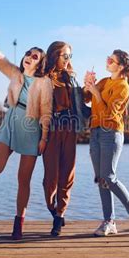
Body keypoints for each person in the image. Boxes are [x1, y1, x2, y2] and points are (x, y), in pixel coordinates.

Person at [0, 16, 52, 240]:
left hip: (32, 130)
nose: (29, 58)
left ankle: (18, 223)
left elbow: (46, 112)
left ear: (39, 63)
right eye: (28, 54)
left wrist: (43, 138)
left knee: (23, 179)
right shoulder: (14, 72)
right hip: (11, 122)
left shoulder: (44, 84)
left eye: (34, 57)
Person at [84, 49, 129, 237]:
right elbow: (87, 98)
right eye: (108, 58)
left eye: (111, 60)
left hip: (110, 133)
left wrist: (95, 91)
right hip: (95, 132)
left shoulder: (123, 86)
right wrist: (88, 85)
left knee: (109, 177)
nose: (108, 61)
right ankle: (109, 221)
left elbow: (109, 114)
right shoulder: (105, 81)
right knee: (101, 179)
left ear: (120, 66)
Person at [42, 41, 77, 236]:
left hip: (70, 130)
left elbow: (81, 101)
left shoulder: (70, 78)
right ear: (55, 55)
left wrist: (86, 86)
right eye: (65, 56)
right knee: (51, 178)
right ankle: (53, 209)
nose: (68, 60)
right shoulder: (44, 78)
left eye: (70, 56)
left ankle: (59, 215)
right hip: (51, 130)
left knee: (67, 175)